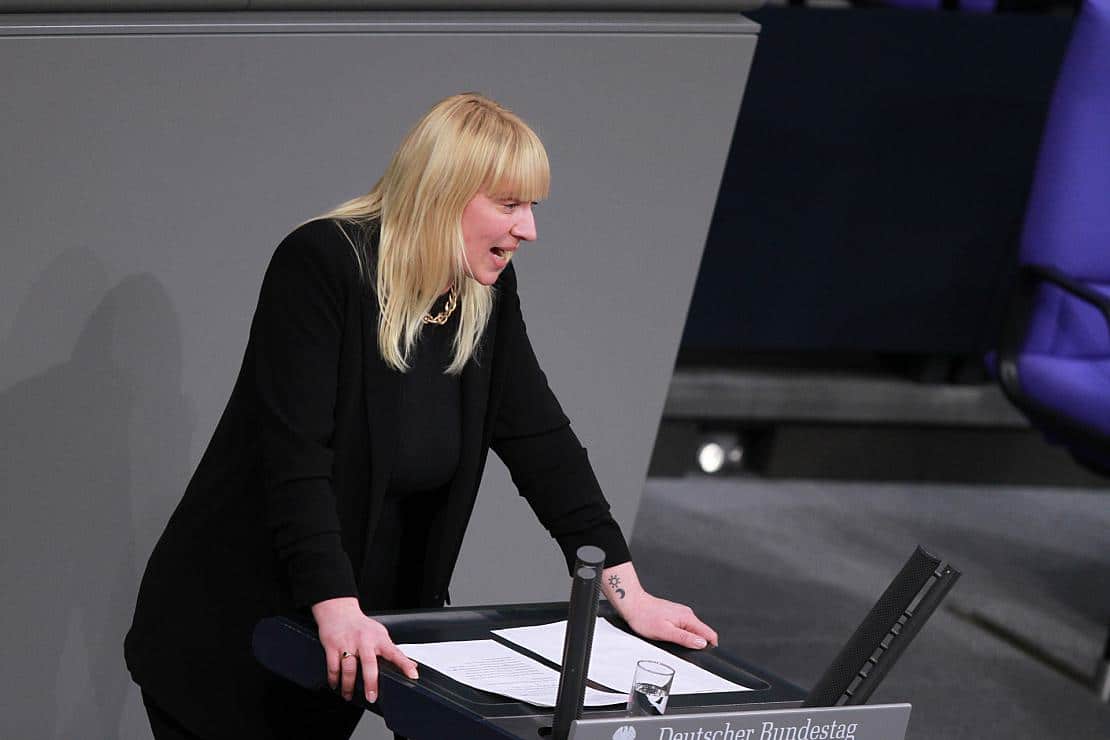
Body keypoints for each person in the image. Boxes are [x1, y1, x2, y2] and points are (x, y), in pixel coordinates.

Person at [125, 92, 717, 740]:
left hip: (342, 640)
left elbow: (543, 445)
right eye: (509, 205)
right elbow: (296, 460)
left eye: (532, 207)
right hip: (234, 633)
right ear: (443, 192)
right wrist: (337, 606)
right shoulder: (323, 263)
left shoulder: (482, 296)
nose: (528, 230)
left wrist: (629, 595)